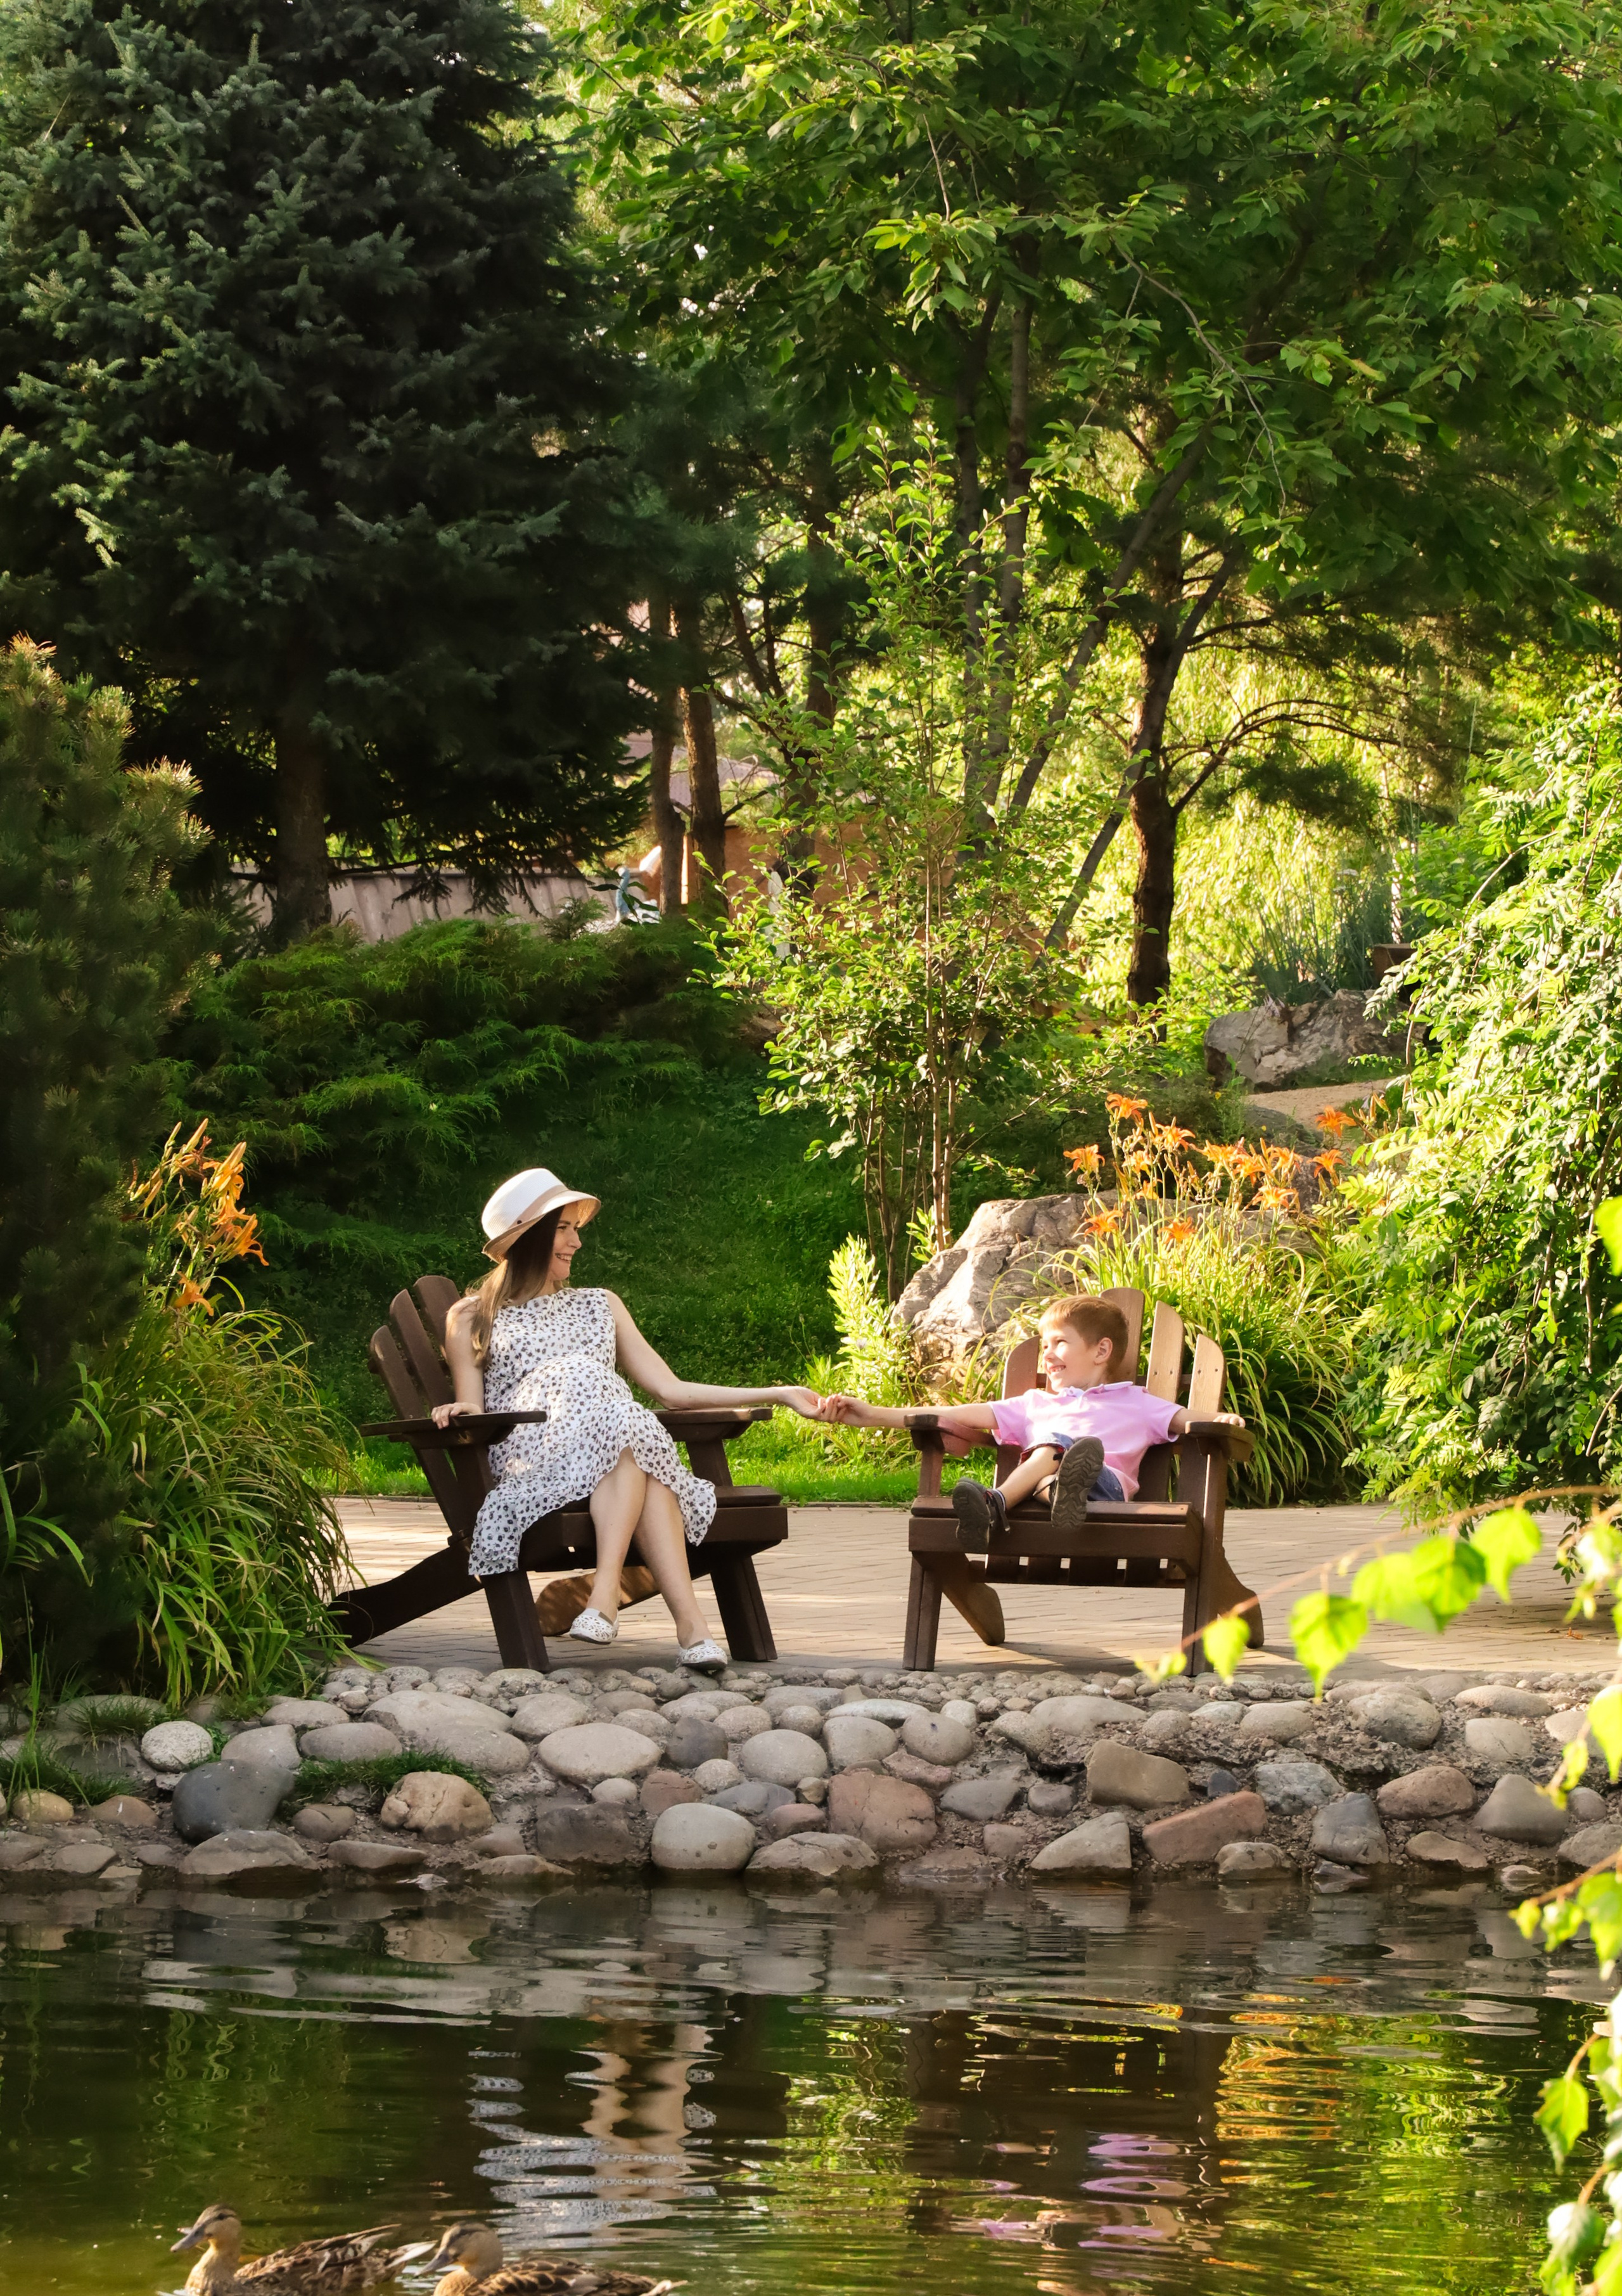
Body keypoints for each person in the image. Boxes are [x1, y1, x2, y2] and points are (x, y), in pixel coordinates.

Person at [433, 1167, 822, 1667]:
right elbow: (475, 1407)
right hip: (534, 1460)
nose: (577, 1241)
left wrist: (780, 1391)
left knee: (630, 1438)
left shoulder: (602, 1305)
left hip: (617, 1449)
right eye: (564, 1229)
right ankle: (650, 1610)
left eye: (577, 1229)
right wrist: (459, 1410)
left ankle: (652, 1617)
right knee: (623, 1424)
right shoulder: (470, 1316)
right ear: (529, 1236)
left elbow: (670, 1390)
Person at [819, 1293, 1245, 1537]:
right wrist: (873, 1413)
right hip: (1057, 1501)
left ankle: (995, 1503)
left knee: (1057, 1446)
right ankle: (1057, 1492)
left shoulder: (1136, 1401)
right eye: (1045, 1343)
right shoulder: (1032, 1405)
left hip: (1107, 1493)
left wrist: (1220, 1419)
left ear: (1101, 1351)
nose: (1048, 1352)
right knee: (1051, 1470)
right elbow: (951, 1412)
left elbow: (1185, 1419)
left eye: (1060, 1342)